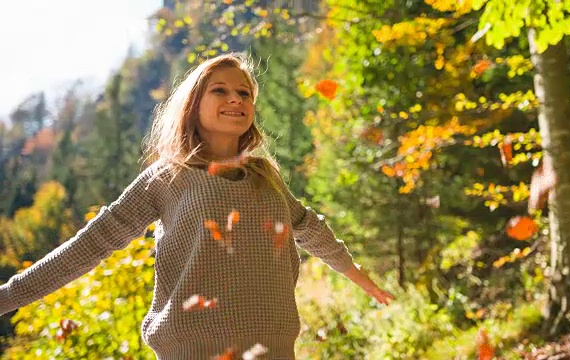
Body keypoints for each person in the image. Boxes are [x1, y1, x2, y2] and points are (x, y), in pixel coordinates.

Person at [0, 52, 393, 359]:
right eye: (220, 90)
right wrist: (8, 296)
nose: (236, 99)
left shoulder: (265, 176)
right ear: (193, 103)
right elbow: (92, 244)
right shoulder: (168, 177)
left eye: (245, 93)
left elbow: (311, 229)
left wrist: (361, 279)